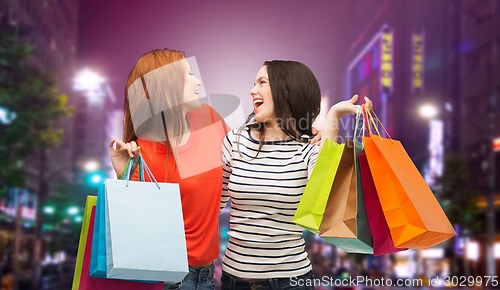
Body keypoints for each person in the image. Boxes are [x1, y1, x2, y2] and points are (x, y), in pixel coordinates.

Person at [219, 60, 372, 290]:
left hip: (290, 282)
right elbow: (215, 203)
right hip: (233, 281)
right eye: (254, 83)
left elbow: (325, 194)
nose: (252, 90)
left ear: (287, 91)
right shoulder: (235, 140)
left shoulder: (308, 147)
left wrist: (334, 116)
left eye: (262, 83)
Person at [110, 49, 231, 290]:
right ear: (167, 86)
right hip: (164, 277)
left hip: (206, 274)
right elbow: (132, 227)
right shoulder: (141, 153)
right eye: (189, 75)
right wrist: (122, 174)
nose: (198, 82)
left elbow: (245, 154)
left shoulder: (210, 119)